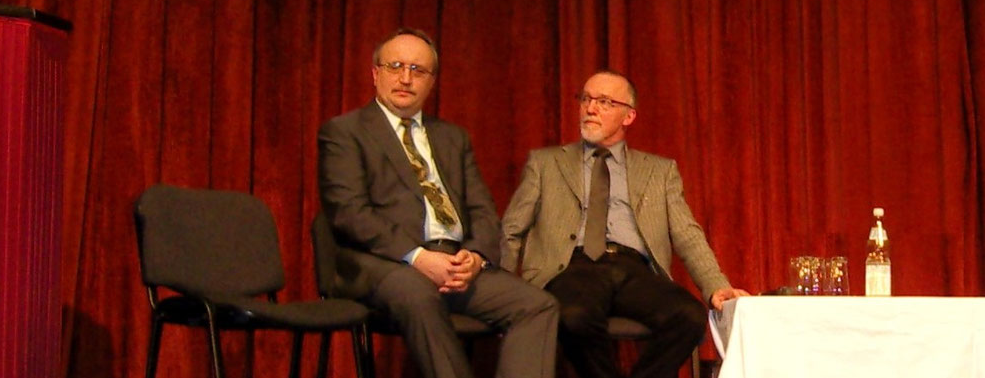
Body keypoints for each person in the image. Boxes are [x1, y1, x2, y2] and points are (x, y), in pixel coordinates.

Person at [317, 29, 558, 378]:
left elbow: (482, 211)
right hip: (384, 264)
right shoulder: (344, 132)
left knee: (537, 306)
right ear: (375, 73)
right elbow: (349, 213)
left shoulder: (452, 137)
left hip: (455, 263)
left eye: (418, 70)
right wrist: (418, 258)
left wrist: (475, 257)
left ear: (432, 82)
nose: (405, 78)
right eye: (396, 66)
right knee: (417, 292)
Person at [501, 70, 751, 378]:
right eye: (586, 99)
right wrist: (504, 290)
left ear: (628, 116)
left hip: (634, 269)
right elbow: (512, 229)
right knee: (573, 316)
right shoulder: (545, 163)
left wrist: (716, 286)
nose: (591, 108)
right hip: (571, 266)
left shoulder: (659, 171)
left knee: (688, 317)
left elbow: (687, 234)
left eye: (604, 102)